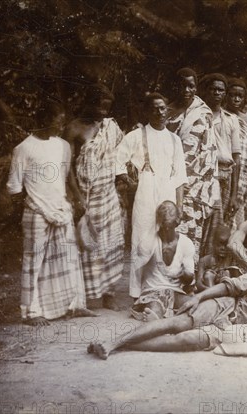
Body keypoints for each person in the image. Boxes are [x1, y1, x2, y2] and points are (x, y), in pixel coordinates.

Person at [87, 249, 247, 359]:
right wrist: (198, 297)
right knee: (179, 323)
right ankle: (112, 343)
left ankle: (126, 345)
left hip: (240, 332)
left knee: (185, 340)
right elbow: (230, 287)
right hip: (227, 307)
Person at [7, 100, 97, 325]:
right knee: (33, 262)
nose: (61, 125)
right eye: (58, 121)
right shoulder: (23, 148)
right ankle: (32, 312)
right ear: (45, 120)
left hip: (61, 210)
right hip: (36, 212)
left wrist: (71, 201)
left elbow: (65, 177)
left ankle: (73, 305)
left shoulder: (62, 146)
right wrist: (34, 204)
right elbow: (14, 187)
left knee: (68, 259)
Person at [115, 93, 188, 299]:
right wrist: (131, 183)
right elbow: (117, 162)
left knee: (165, 239)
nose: (159, 112)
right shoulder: (135, 136)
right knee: (142, 238)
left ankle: (162, 287)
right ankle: (138, 291)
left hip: (168, 192)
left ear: (168, 111)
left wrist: (179, 206)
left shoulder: (174, 140)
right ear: (147, 111)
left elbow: (180, 176)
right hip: (145, 190)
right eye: (154, 108)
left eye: (163, 108)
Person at [63, 84, 124, 310]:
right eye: (100, 107)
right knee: (89, 246)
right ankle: (87, 296)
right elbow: (67, 167)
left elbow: (119, 158)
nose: (103, 113)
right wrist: (77, 197)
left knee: (111, 246)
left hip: (108, 195)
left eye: (107, 108)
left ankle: (109, 294)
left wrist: (120, 188)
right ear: (90, 102)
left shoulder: (109, 127)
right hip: (87, 197)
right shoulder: (74, 129)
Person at [167, 68, 219, 265]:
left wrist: (188, 179)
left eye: (191, 85)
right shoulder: (167, 111)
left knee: (188, 234)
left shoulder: (202, 113)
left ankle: (186, 279)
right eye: (182, 85)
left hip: (193, 184)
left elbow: (207, 152)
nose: (186, 90)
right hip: (167, 180)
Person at [131, 201, 194, 322]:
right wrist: (136, 295)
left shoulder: (186, 244)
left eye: (169, 227)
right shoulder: (148, 241)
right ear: (158, 223)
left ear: (177, 222)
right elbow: (136, 270)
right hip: (152, 292)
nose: (165, 230)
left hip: (175, 292)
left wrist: (183, 275)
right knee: (154, 312)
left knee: (196, 308)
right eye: (163, 226)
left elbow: (189, 279)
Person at [200, 73, 242, 227]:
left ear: (225, 93)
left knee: (220, 226)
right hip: (204, 176)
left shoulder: (232, 120)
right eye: (213, 89)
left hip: (225, 176)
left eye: (220, 90)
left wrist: (234, 195)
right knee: (203, 221)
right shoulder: (199, 117)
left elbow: (236, 157)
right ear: (207, 91)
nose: (217, 93)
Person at [225, 77, 247, 230]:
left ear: (245, 99)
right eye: (232, 95)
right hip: (228, 170)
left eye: (240, 96)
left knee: (241, 212)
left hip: (246, 173)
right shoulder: (221, 116)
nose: (236, 99)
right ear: (227, 95)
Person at [196, 225, 241, 291]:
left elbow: (238, 285)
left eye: (226, 245)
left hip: (227, 294)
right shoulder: (204, 261)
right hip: (208, 292)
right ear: (213, 244)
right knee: (208, 275)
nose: (223, 248)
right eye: (219, 244)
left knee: (227, 274)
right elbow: (199, 284)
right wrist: (211, 290)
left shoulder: (233, 261)